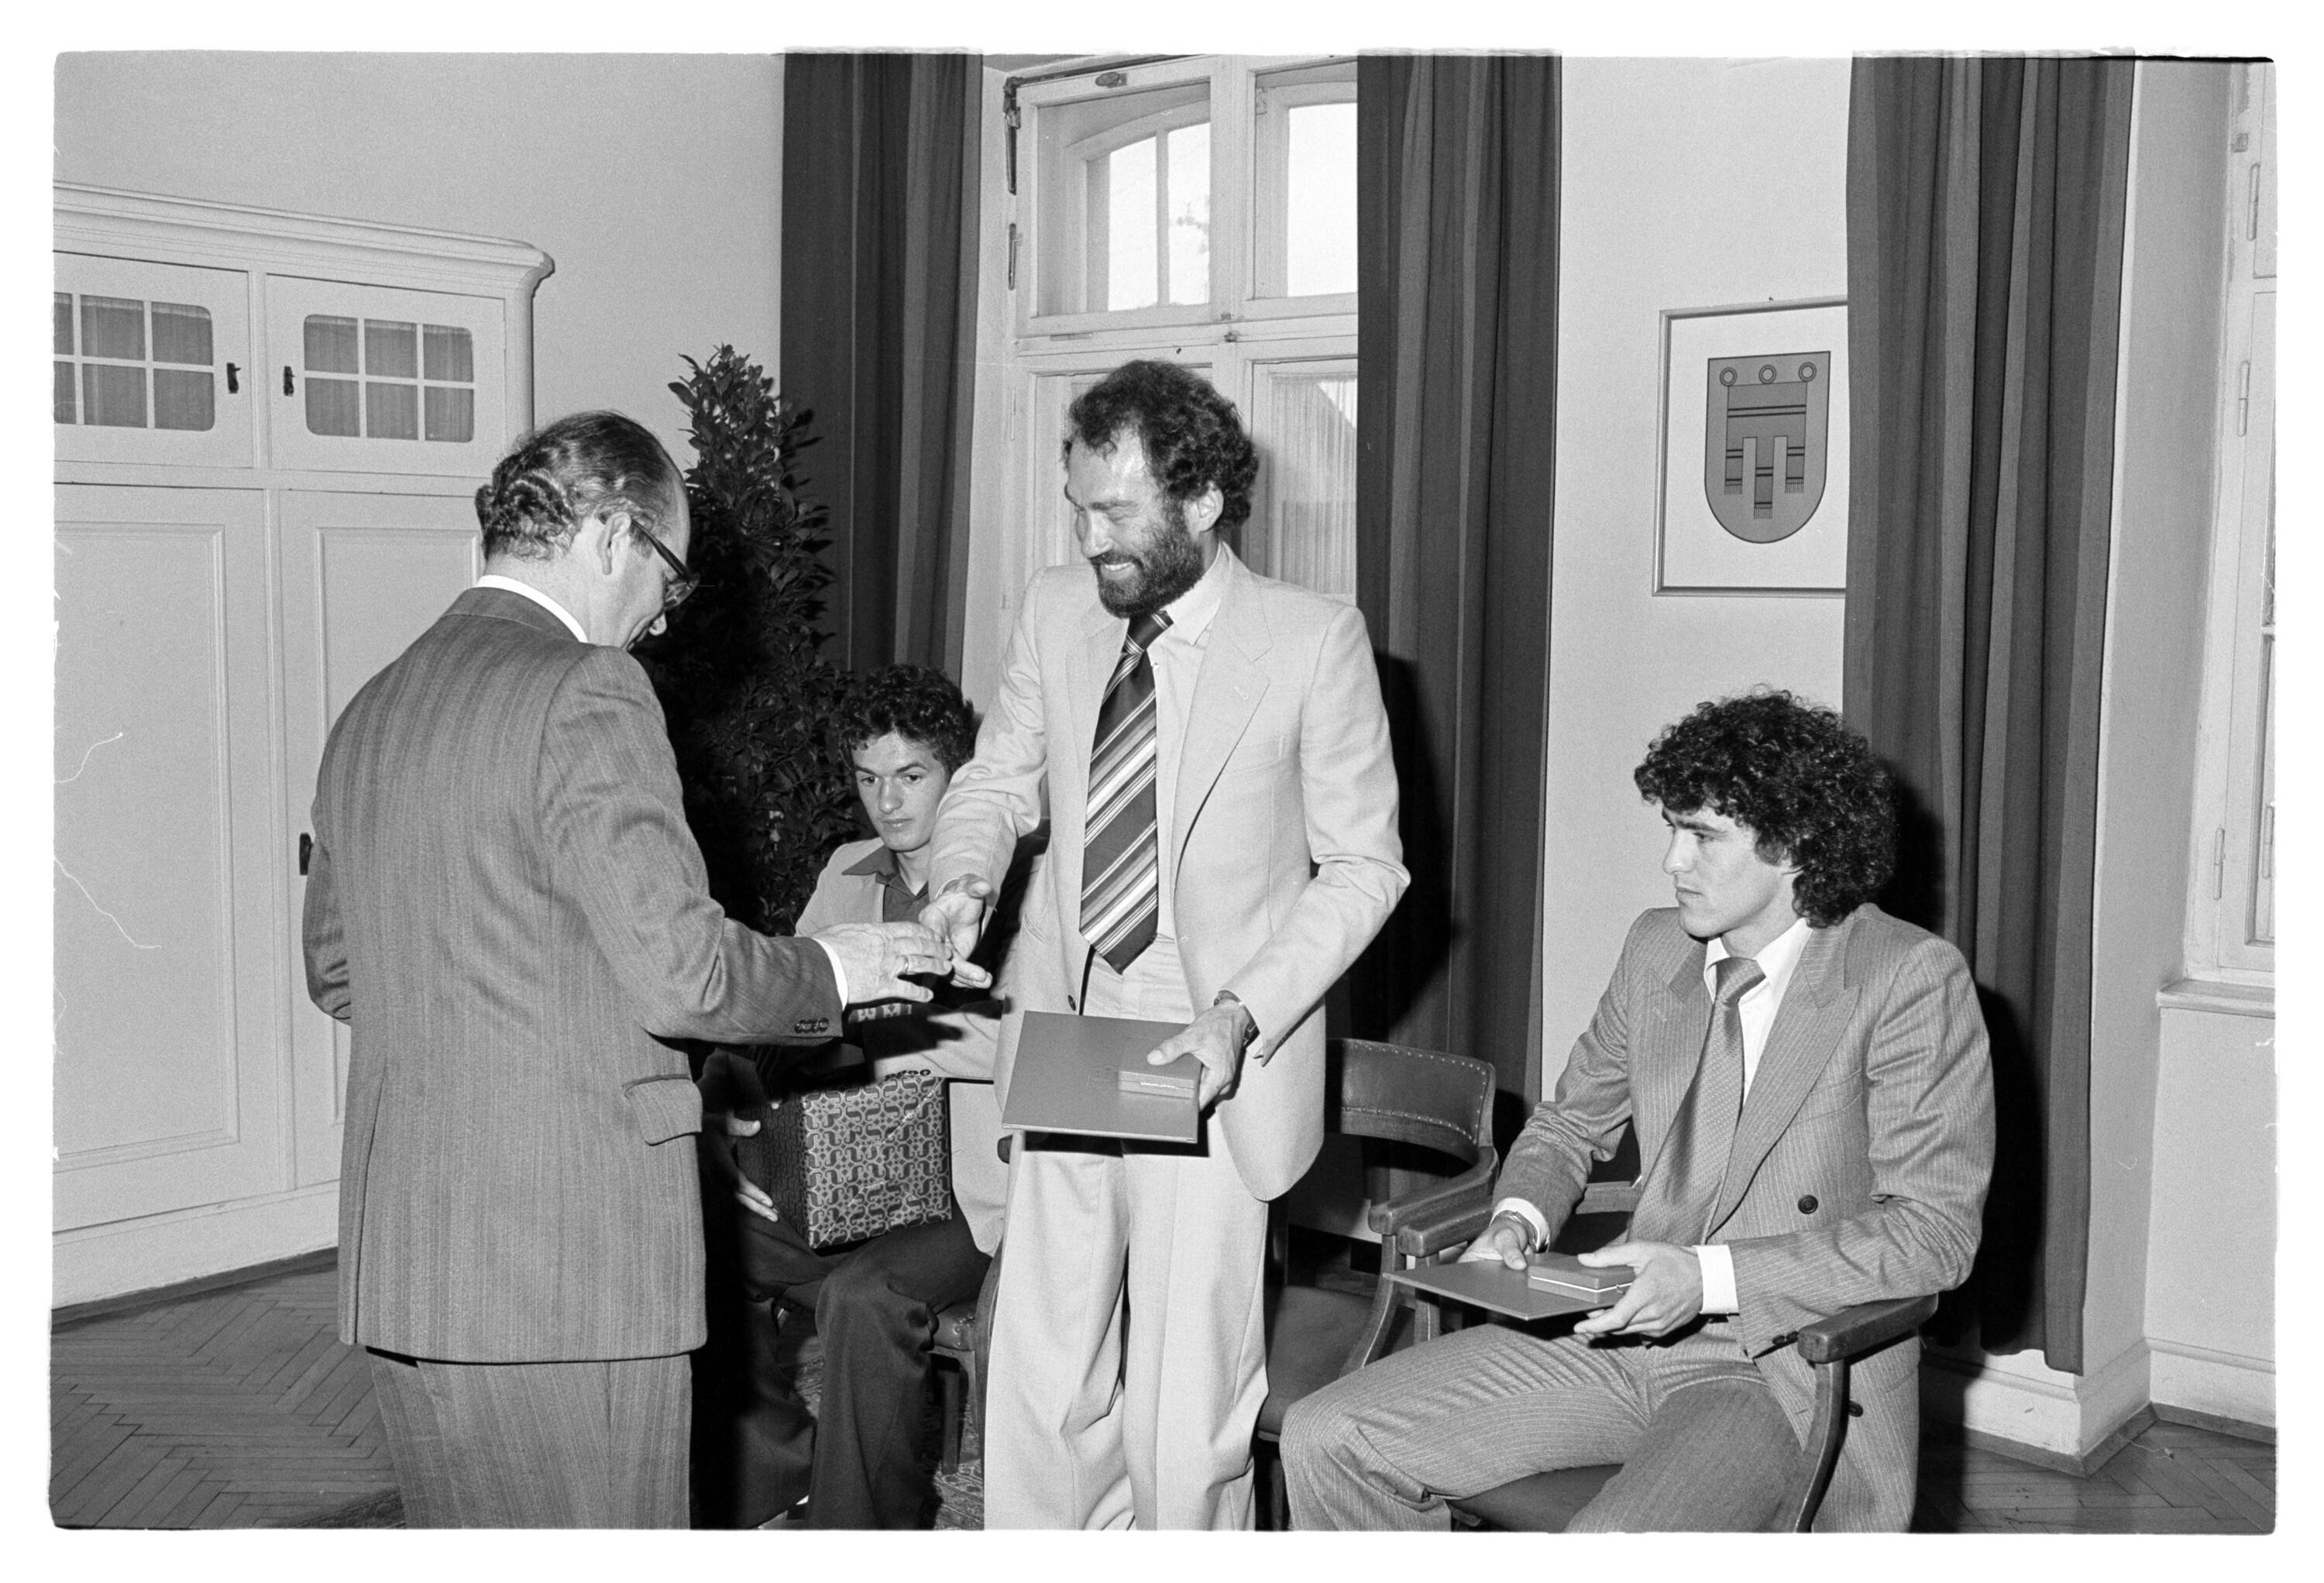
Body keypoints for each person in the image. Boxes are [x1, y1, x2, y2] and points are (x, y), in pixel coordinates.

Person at [300, 411, 955, 1528]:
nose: (661, 613)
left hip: (407, 1259)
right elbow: (684, 975)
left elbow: (338, 971)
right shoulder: (587, 687)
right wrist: (834, 971)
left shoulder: (373, 706)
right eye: (668, 574)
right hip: (571, 1264)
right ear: (611, 533)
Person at [1282, 690, 1995, 1532]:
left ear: (1797, 845)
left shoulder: (1906, 977)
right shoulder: (1657, 947)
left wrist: (1706, 1278)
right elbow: (1568, 1126)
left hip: (1774, 1364)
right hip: (1615, 1331)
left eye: (1702, 836)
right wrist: (1517, 1220)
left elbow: (1933, 1235)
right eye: (1671, 829)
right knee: (1328, 1435)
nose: (1671, 861)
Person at [920, 359, 1408, 1529]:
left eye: (1118, 513)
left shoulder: (1313, 640)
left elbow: (1365, 867)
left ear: (1202, 502)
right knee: (1040, 1381)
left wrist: (1242, 1013)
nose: (1091, 540)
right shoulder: (1056, 608)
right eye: (1079, 510)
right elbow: (999, 775)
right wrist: (962, 877)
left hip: (1210, 1046)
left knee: (1185, 1412)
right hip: (1069, 1025)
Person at [693, 664, 1017, 1529]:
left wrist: (873, 1027)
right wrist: (730, 1119)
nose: (888, 802)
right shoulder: (847, 869)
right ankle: (777, 1473)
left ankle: (860, 1531)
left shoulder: (1011, 885)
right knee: (707, 1236)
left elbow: (1029, 1044)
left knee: (863, 1298)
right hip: (847, 1172)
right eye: (869, 778)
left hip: (972, 1194)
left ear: (961, 776)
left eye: (911, 775)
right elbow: (787, 1006)